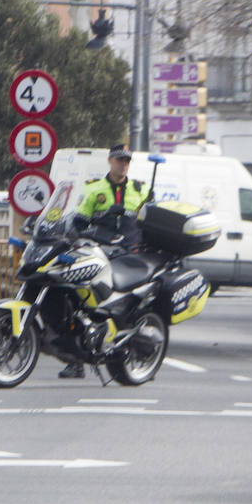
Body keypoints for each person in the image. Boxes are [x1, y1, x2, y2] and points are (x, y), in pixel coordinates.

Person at [59, 145, 150, 378]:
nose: (123, 164)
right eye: (119, 160)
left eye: (127, 161)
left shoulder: (141, 190)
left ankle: (139, 354)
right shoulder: (94, 189)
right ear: (110, 161)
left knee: (129, 306)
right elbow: (78, 221)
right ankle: (76, 360)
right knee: (81, 302)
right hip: (100, 251)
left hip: (130, 254)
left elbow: (150, 222)